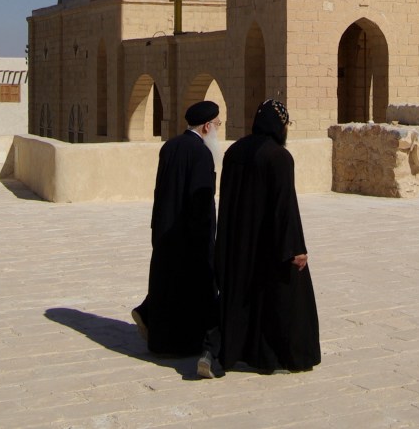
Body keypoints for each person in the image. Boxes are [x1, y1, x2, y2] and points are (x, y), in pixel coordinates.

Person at [215, 99, 321, 374]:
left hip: (238, 242)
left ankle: (240, 350)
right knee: (288, 299)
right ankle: (283, 355)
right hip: (269, 243)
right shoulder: (279, 157)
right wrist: (295, 248)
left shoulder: (234, 152)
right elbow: (285, 206)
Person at [132, 100, 221, 363]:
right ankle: (188, 344)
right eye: (216, 124)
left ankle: (160, 339)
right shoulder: (201, 154)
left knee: (167, 286)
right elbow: (202, 201)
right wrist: (206, 238)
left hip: (165, 230)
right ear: (206, 127)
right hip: (191, 236)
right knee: (191, 292)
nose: (217, 129)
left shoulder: (169, 147)